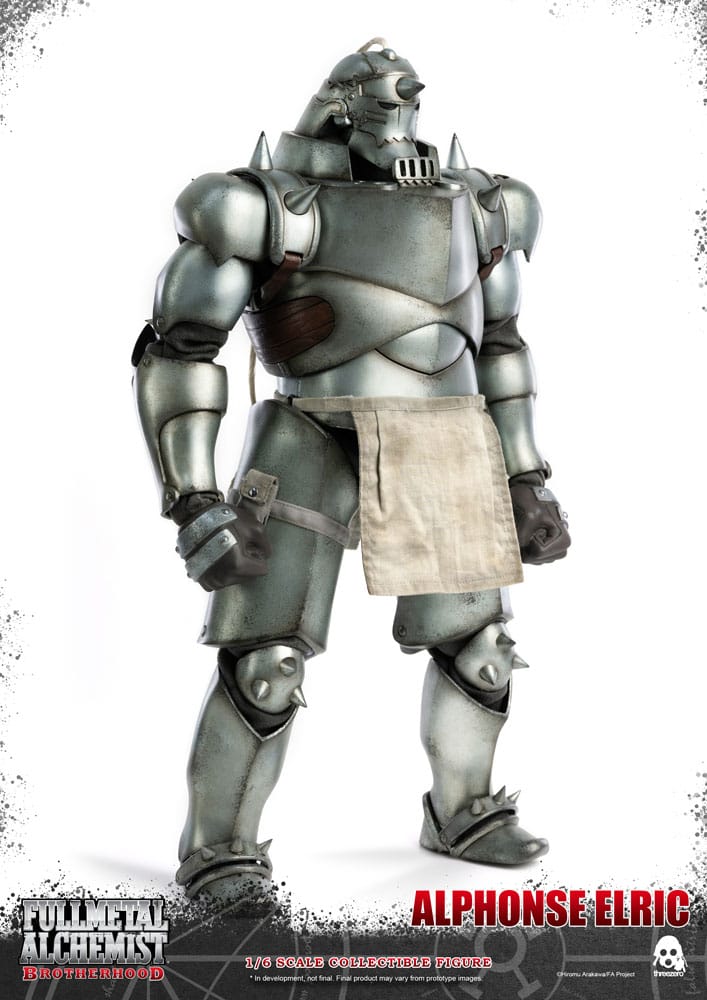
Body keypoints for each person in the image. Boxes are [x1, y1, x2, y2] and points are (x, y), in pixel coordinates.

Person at [133, 38, 571, 901]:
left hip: (444, 438)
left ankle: (463, 811)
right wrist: (194, 500)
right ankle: (219, 849)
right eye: (383, 98)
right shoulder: (261, 208)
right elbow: (179, 350)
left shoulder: (483, 208)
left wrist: (525, 476)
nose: (401, 114)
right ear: (338, 107)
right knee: (266, 660)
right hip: (306, 437)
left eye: (409, 97)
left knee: (480, 648)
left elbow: (501, 344)